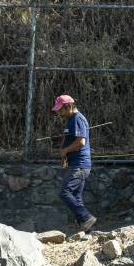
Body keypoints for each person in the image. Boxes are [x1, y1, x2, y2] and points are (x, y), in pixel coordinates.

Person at [51, 95, 97, 232]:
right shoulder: (71, 120)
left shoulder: (78, 119)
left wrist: (65, 150)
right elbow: (71, 139)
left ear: (69, 106)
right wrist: (64, 154)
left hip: (80, 164)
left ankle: (87, 217)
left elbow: (81, 142)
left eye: (60, 110)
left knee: (65, 192)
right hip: (76, 163)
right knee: (76, 197)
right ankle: (88, 230)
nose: (59, 113)